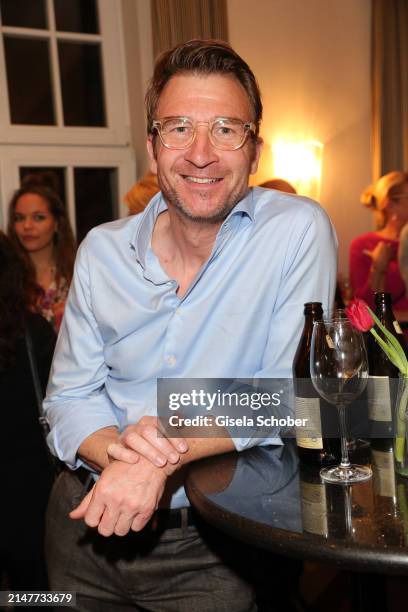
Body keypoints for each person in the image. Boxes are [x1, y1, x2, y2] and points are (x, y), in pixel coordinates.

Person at [44, 39, 336, 610]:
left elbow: (285, 395)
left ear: (254, 149)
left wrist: (164, 456)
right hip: (81, 523)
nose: (200, 153)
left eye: (227, 129)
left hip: (212, 544)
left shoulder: (297, 230)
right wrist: (128, 460)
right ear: (153, 147)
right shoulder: (102, 250)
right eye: (178, 128)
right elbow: (68, 398)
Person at [0, 232, 56, 592]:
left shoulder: (35, 330)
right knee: (35, 594)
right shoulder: (34, 329)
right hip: (29, 496)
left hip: (27, 490)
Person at [7, 182, 76, 332]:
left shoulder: (77, 273)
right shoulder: (7, 277)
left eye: (38, 217)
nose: (27, 226)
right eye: (19, 218)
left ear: (57, 223)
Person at [349, 171, 408, 314]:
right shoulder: (363, 245)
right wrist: (378, 268)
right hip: (389, 335)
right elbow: (363, 309)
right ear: (390, 205)